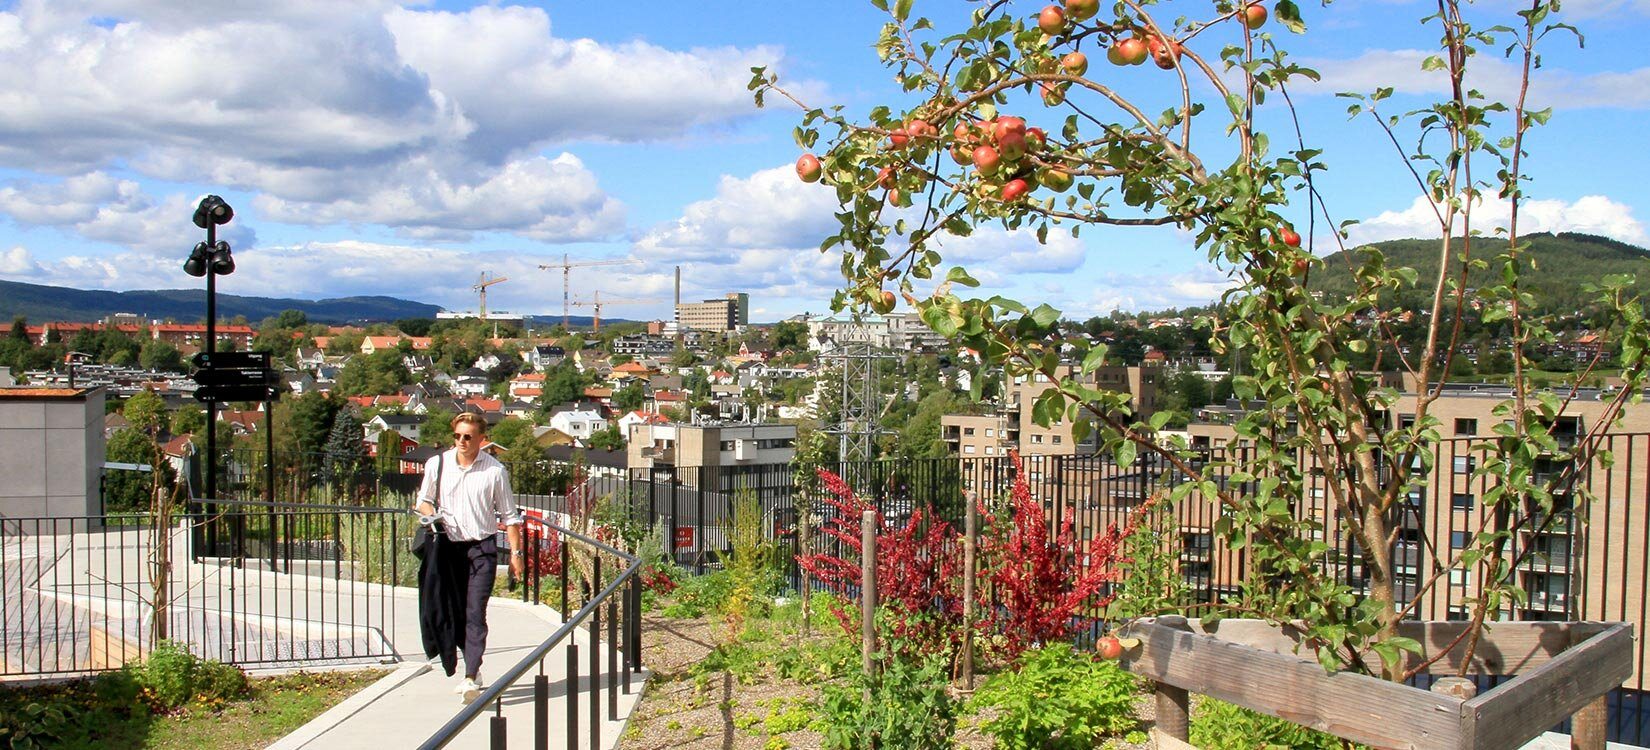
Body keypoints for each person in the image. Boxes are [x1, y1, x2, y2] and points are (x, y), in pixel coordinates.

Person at [414, 412, 524, 704]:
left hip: (481, 549)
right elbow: (423, 501)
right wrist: (432, 518)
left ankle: (471, 675)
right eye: (458, 436)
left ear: (481, 439)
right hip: (448, 549)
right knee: (452, 610)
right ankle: (467, 664)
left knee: (476, 612)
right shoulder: (437, 465)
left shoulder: (494, 472)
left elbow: (510, 517)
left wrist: (516, 554)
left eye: (468, 437)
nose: (462, 442)